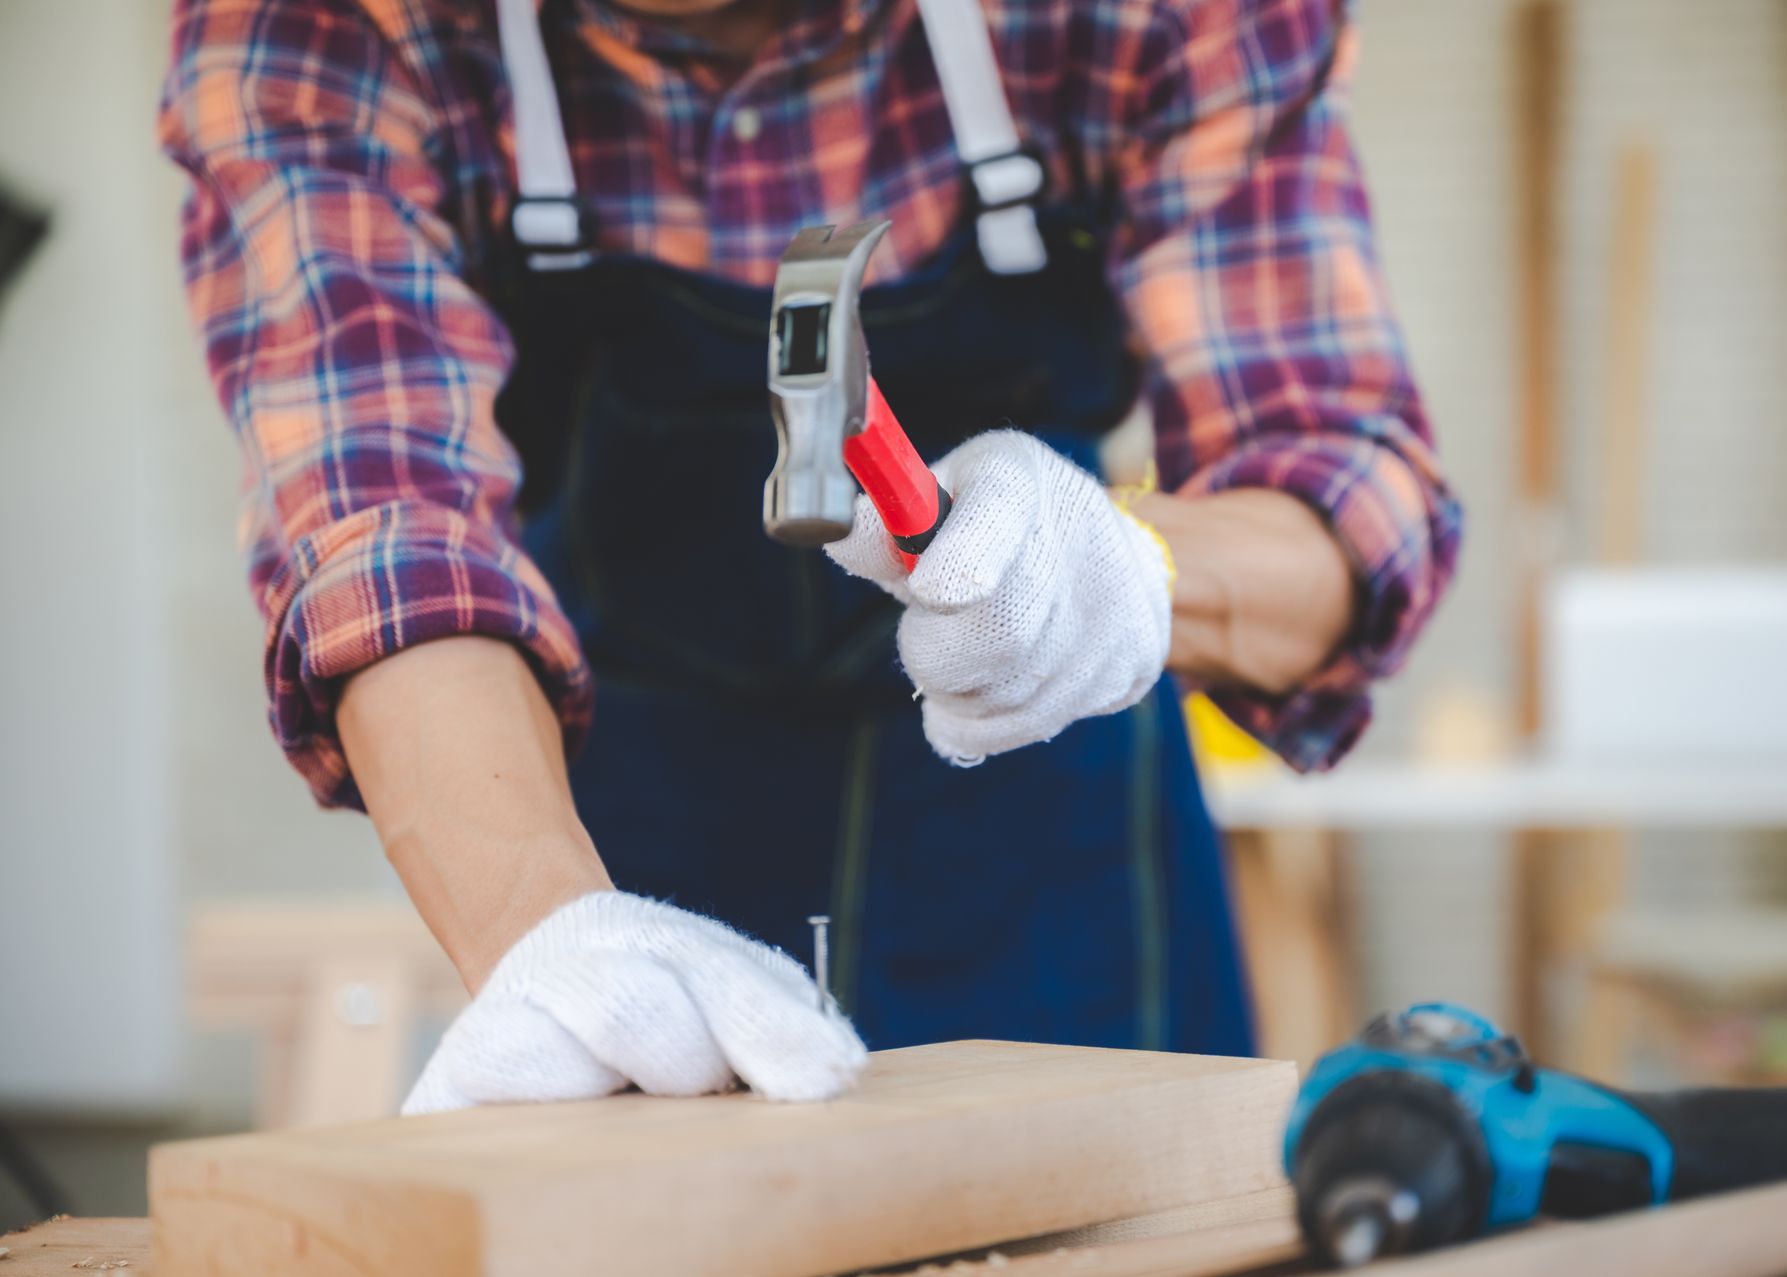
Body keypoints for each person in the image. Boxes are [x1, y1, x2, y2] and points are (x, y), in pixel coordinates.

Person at [158, 0, 1460, 1111]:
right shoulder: (336, 21)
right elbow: (384, 533)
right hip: (628, 837)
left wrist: (1122, 567)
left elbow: (1344, 488)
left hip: (1056, 862)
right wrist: (551, 939)